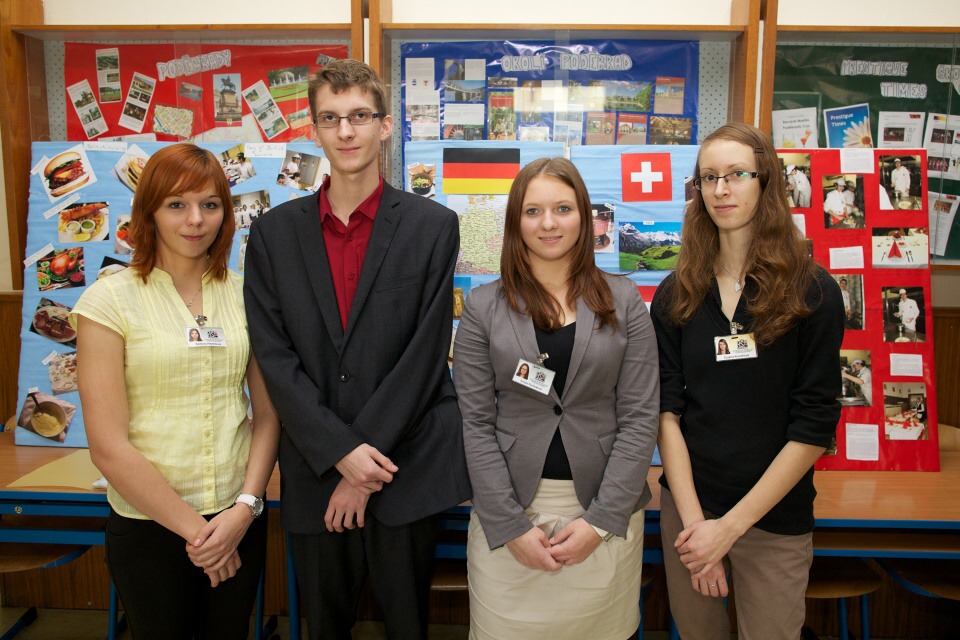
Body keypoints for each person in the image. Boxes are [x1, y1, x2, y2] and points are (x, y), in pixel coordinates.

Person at [244, 58, 470, 640]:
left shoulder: (433, 226)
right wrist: (341, 454)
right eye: (331, 118)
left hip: (406, 466)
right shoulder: (272, 234)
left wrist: (361, 469)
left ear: (385, 126)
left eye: (360, 116)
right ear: (314, 130)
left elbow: (424, 357)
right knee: (324, 626)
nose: (346, 131)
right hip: (315, 469)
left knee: (408, 626)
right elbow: (275, 358)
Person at [71, 143, 280, 639]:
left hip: (237, 517)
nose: (195, 220)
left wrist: (244, 510)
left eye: (210, 204)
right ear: (149, 212)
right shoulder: (108, 301)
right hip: (151, 525)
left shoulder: (245, 293)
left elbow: (269, 416)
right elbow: (108, 446)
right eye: (176, 204)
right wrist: (200, 535)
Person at [650, 122, 844, 640]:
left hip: (772, 518)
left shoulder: (813, 292)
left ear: (766, 182)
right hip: (690, 512)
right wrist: (698, 528)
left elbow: (815, 425)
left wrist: (728, 530)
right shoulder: (675, 293)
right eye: (708, 177)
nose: (721, 189)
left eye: (737, 174)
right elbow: (666, 412)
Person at [454, 157, 659, 639]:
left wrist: (600, 522)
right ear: (516, 222)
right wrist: (509, 525)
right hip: (509, 513)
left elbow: (640, 416)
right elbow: (475, 423)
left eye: (563, 208)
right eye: (533, 211)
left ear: (585, 217)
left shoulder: (624, 300)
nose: (548, 223)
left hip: (603, 513)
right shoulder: (483, 306)